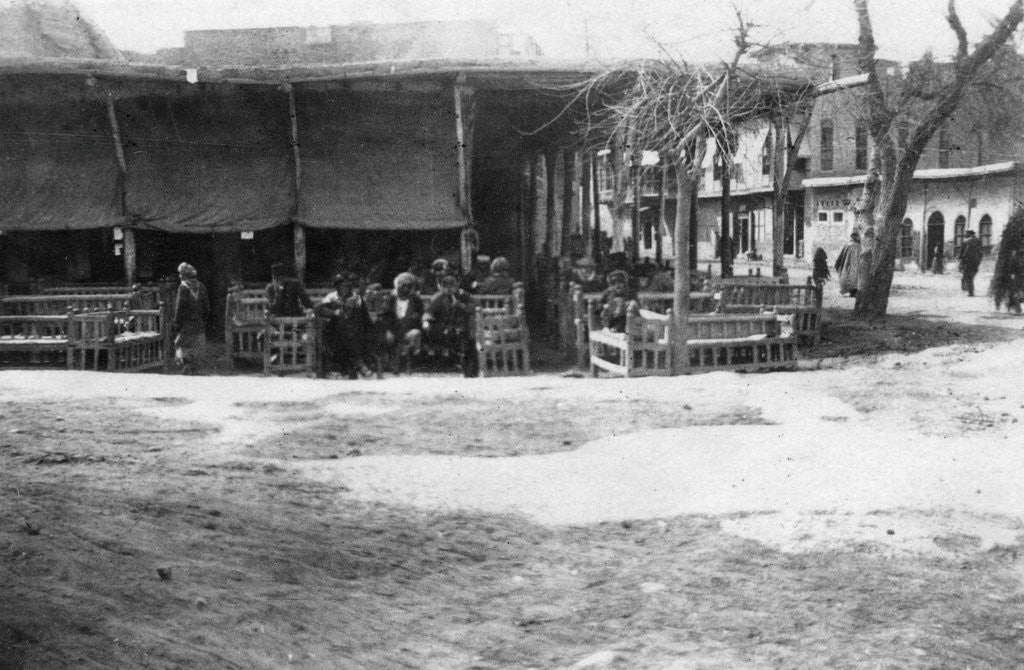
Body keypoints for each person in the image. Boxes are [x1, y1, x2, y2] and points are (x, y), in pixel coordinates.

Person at [317, 273, 371, 378]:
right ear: (337, 287)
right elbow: (319, 309)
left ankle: (356, 366)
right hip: (336, 332)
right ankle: (360, 365)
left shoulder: (357, 298)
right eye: (342, 286)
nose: (345, 288)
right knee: (345, 333)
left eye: (347, 286)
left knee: (350, 334)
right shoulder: (332, 297)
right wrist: (334, 312)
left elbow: (365, 317)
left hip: (355, 332)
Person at [422, 274, 477, 375]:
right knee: (433, 331)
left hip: (461, 324)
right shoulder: (439, 297)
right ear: (442, 287)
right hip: (443, 325)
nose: (449, 288)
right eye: (446, 286)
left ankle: (455, 361)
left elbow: (471, 308)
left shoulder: (463, 295)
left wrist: (459, 305)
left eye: (451, 285)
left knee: (456, 333)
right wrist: (426, 321)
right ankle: (439, 361)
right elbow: (429, 311)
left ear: (456, 286)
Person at [381, 272, 424, 372]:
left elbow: (420, 315)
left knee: (415, 334)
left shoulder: (416, 299)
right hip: (393, 329)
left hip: (408, 329)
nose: (405, 288)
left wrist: (414, 319)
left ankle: (406, 362)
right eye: (403, 285)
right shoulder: (391, 298)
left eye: (408, 286)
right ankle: (389, 363)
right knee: (387, 337)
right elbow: (385, 315)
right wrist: (388, 329)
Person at [172, 262, 209, 374]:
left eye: (180, 274)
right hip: (199, 325)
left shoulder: (183, 287)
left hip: (186, 326)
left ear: (183, 275)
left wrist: (176, 323)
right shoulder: (201, 286)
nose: (179, 276)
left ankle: (187, 370)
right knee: (197, 350)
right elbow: (207, 308)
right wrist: (203, 321)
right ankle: (194, 370)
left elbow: (179, 308)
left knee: (182, 347)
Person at [834, 231, 862, 297]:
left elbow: (841, 256)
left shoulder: (847, 246)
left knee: (847, 276)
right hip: (855, 266)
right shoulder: (859, 247)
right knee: (854, 277)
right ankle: (853, 292)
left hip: (847, 266)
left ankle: (851, 291)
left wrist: (838, 264)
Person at [958, 230, 983, 297]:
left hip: (967, 261)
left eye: (966, 233)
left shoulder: (965, 241)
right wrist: (979, 260)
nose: (964, 234)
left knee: (967, 276)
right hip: (976, 262)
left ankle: (970, 292)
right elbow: (981, 252)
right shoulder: (978, 240)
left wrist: (960, 259)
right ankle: (968, 290)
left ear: (968, 234)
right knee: (971, 276)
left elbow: (961, 253)